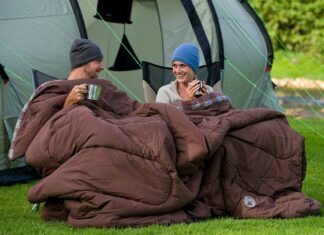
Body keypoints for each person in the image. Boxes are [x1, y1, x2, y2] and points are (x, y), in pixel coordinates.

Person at [63, 38, 105, 108]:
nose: (102, 67)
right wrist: (68, 103)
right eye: (98, 61)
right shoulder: (55, 89)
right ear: (83, 61)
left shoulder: (95, 88)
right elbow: (45, 117)